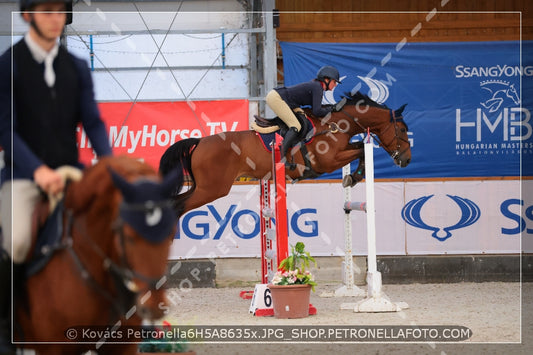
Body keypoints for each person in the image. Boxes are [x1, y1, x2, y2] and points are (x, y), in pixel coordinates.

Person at [0, 1, 112, 351]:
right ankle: (6, 328)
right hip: (22, 176)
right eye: (46, 11)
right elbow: (6, 129)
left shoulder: (76, 66)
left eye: (59, 11)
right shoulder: (8, 65)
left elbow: (92, 121)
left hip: (71, 172)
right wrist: (38, 171)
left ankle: (121, 316)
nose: (54, 19)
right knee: (16, 240)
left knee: (115, 224)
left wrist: (108, 165)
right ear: (27, 15)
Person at [265, 65, 343, 157]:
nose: (335, 85)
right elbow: (317, 111)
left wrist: (331, 109)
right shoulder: (317, 87)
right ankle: (282, 155)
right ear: (326, 80)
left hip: (282, 98)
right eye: (334, 81)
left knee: (301, 119)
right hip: (277, 98)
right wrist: (332, 109)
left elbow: (315, 109)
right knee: (296, 126)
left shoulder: (317, 86)